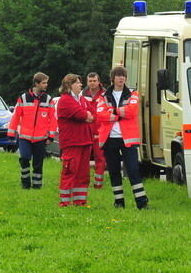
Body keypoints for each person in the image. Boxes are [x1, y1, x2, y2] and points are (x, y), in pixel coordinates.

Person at [97, 66, 149, 209]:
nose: (121, 78)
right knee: (114, 171)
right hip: (109, 138)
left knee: (133, 170)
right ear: (113, 78)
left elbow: (132, 112)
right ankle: (119, 202)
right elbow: (100, 114)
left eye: (123, 76)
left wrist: (112, 112)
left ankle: (142, 202)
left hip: (128, 139)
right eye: (118, 75)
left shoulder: (133, 93)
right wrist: (119, 114)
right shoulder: (104, 96)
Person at [7, 72, 57, 190]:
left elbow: (53, 119)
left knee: (38, 162)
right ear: (36, 83)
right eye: (44, 83)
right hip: (25, 137)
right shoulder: (23, 98)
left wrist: (50, 136)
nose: (46, 85)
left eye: (46, 83)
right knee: (24, 158)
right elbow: (16, 116)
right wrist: (11, 132)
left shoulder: (48, 99)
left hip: (40, 138)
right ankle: (25, 183)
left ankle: (37, 185)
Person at [55, 74, 94, 207]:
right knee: (70, 171)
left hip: (85, 140)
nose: (80, 85)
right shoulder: (65, 100)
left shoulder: (81, 99)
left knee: (83, 174)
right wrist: (86, 115)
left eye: (80, 83)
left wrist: (87, 115)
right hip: (72, 141)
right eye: (77, 83)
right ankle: (64, 202)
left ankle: (80, 202)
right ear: (69, 85)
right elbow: (82, 114)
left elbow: (92, 113)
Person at [82, 72, 107, 189]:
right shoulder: (83, 94)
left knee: (100, 158)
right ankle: (84, 182)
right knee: (83, 158)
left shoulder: (105, 94)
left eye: (94, 81)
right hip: (86, 130)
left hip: (100, 130)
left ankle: (98, 184)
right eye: (90, 81)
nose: (92, 83)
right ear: (87, 82)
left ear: (98, 81)